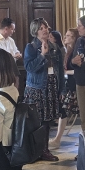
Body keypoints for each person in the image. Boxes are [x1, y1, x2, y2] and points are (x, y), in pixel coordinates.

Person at [23, 18, 60, 162]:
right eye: (41, 28)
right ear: (35, 31)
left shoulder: (54, 46)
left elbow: (58, 69)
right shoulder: (31, 47)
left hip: (50, 86)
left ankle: (44, 150)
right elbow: (30, 68)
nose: (45, 30)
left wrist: (61, 90)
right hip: (36, 88)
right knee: (36, 121)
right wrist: (42, 55)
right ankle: (34, 150)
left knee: (47, 121)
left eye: (46, 27)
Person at [54, 28, 79, 147]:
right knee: (63, 111)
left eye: (68, 35)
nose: (65, 37)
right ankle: (58, 138)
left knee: (68, 111)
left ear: (74, 38)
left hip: (74, 84)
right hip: (68, 84)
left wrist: (66, 72)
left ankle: (58, 138)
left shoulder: (75, 51)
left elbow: (76, 71)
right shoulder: (68, 50)